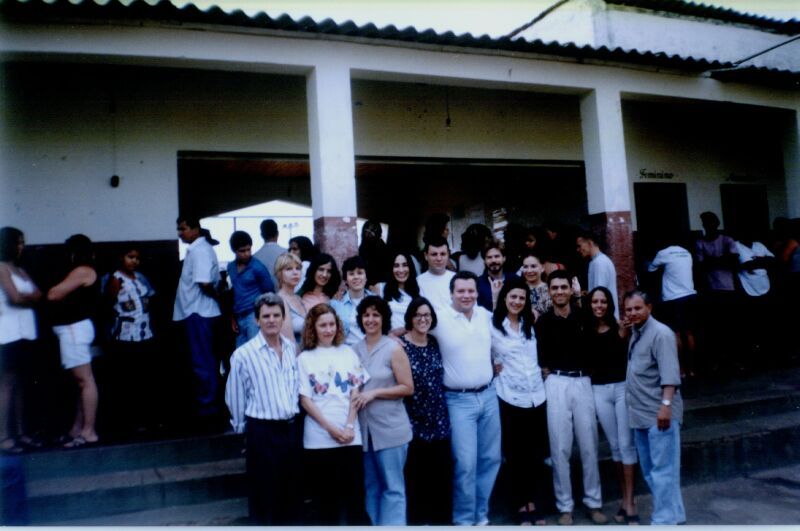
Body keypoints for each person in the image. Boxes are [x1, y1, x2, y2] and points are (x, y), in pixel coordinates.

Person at [535, 270, 607, 526]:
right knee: (560, 447)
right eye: (554, 288)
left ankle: (593, 503)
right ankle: (565, 506)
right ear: (549, 291)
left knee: (589, 445)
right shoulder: (543, 322)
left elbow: (598, 345)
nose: (559, 292)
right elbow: (538, 354)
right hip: (556, 382)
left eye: (563, 287)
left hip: (583, 381)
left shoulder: (584, 316)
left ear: (570, 289)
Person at [429, 271, 501, 525]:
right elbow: (412, 329)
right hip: (458, 401)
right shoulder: (439, 318)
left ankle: (481, 515)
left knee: (490, 459)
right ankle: (463, 521)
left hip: (489, 396)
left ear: (477, 292)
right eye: (461, 291)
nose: (466, 295)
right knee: (466, 464)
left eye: (471, 291)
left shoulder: (485, 316)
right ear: (451, 293)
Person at [225, 293, 302, 525]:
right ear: (257, 320)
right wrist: (243, 431)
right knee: (265, 495)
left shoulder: (291, 348)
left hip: (290, 429)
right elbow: (235, 396)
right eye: (266, 316)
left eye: (276, 315)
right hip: (262, 432)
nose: (271, 320)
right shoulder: (243, 355)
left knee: (291, 492)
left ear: (283, 318)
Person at [297, 304, 369, 525]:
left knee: (355, 500)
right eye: (323, 325)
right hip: (319, 439)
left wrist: (348, 426)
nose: (328, 330)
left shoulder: (348, 352)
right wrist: (331, 429)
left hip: (350, 436)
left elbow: (355, 391)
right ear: (313, 328)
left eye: (331, 324)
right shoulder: (304, 358)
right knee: (325, 504)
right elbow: (305, 400)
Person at [623, 290, 686, 525]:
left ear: (649, 307)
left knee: (662, 471)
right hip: (640, 414)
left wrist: (666, 406)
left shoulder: (661, 334)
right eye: (629, 309)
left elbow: (670, 375)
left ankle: (663, 521)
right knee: (653, 471)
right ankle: (675, 516)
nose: (633, 313)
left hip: (659, 414)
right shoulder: (635, 333)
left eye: (637, 308)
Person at [491, 278, 549, 526]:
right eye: (513, 296)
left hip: (536, 396)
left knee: (535, 454)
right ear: (505, 297)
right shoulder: (493, 326)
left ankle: (533, 502)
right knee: (516, 455)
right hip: (510, 397)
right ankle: (521, 505)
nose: (516, 301)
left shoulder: (531, 324)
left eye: (521, 298)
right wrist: (490, 368)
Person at [352, 296, 414, 525]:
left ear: (384, 318)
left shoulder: (393, 349)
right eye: (366, 315)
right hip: (364, 432)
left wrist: (375, 393)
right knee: (371, 486)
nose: (370, 319)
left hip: (390, 429)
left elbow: (407, 387)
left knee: (393, 488)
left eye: (376, 315)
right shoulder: (354, 350)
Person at [584, 287, 638, 524]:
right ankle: (624, 500)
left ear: (609, 304)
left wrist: (625, 333)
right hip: (599, 390)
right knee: (615, 446)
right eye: (595, 301)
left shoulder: (621, 327)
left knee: (626, 444)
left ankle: (630, 503)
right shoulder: (585, 329)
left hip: (621, 388)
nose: (599, 306)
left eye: (603, 301)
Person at [399, 297, 452, 525]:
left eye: (427, 315)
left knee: (441, 477)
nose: (423, 319)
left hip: (439, 420)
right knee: (416, 479)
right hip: (413, 422)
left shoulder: (434, 342)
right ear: (410, 318)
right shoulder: (400, 346)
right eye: (418, 315)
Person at [47, 234, 100, 448]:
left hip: (74, 330)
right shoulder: (82, 271)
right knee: (82, 382)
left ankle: (88, 431)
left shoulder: (82, 271)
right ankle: (78, 429)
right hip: (74, 330)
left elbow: (53, 294)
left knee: (85, 380)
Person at [103, 243, 158, 435]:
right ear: (121, 258)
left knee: (142, 378)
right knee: (128, 378)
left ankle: (142, 418)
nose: (134, 261)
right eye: (130, 257)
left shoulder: (140, 278)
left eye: (137, 258)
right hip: (125, 336)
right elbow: (108, 305)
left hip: (144, 333)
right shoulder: (115, 279)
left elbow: (150, 299)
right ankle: (127, 422)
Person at [173, 215, 223, 422]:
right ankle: (207, 405)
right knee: (203, 360)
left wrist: (219, 298)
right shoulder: (196, 250)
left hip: (199, 312)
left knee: (202, 362)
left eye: (183, 228)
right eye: (179, 229)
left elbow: (204, 284)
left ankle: (208, 408)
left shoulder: (200, 251)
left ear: (196, 229)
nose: (180, 233)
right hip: (197, 312)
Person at [0, 227, 41, 454]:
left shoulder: (20, 269)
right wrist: (30, 297)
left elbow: (39, 294)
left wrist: (28, 297)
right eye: (18, 242)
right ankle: (4, 436)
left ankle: (21, 433)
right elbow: (14, 298)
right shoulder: (1, 268)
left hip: (26, 332)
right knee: (7, 384)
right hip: (8, 333)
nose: (21, 247)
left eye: (23, 243)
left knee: (21, 384)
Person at [694, 211, 739, 371]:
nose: (708, 226)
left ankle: (732, 360)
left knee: (729, 327)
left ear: (717, 223)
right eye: (705, 223)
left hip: (728, 289)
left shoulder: (727, 240)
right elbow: (700, 266)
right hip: (711, 290)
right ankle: (717, 361)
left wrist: (711, 261)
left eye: (711, 222)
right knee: (714, 328)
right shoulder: (700, 242)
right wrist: (722, 259)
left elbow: (733, 262)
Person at [648, 237, 698, 378]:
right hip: (690, 295)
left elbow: (651, 269)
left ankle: (680, 370)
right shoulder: (686, 252)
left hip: (673, 298)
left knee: (676, 333)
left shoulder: (663, 253)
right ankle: (691, 369)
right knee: (689, 333)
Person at [227, 231, 274, 347]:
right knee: (241, 353)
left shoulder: (258, 267)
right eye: (242, 251)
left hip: (253, 315)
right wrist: (232, 317)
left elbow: (269, 292)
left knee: (255, 350)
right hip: (238, 317)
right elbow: (233, 293)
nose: (247, 254)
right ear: (234, 250)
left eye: (249, 249)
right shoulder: (231, 267)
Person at [331, 256, 374, 346]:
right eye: (351, 274)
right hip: (347, 350)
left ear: (366, 277)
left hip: (373, 348)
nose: (356, 277)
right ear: (346, 280)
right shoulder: (336, 304)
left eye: (360, 273)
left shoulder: (377, 301)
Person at [376, 252, 420, 335]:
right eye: (396, 266)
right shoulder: (380, 288)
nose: (401, 270)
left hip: (413, 338)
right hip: (389, 339)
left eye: (405, 265)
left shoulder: (419, 289)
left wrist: (404, 330)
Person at [577, 231, 619, 319]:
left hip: (604, 318)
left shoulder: (600, 263)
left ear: (589, 243)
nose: (578, 249)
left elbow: (600, 294)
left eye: (579, 246)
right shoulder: (596, 261)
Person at [274, 253, 307, 347]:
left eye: (298, 268)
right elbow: (289, 342)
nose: (295, 272)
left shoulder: (298, 298)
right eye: (289, 269)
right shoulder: (279, 300)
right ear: (279, 273)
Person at [416, 237, 456, 312]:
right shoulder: (418, 282)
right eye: (434, 254)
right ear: (425, 256)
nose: (439, 258)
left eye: (443, 254)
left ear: (448, 255)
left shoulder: (457, 280)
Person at [477, 242, 517, 312]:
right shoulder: (478, 283)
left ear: (504, 258)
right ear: (484, 261)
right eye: (489, 257)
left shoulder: (515, 280)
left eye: (497, 256)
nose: (493, 260)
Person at [253, 219, 286, 288]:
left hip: (262, 294)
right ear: (277, 233)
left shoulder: (254, 257)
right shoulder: (287, 254)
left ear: (261, 235)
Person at [359, 220, 391, 287]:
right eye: (367, 229)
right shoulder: (363, 246)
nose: (368, 232)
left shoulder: (382, 249)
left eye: (372, 230)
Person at [520, 252, 551, 320]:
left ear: (542, 268)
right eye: (525, 267)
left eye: (533, 266)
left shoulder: (551, 289)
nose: (529, 270)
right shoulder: (517, 289)